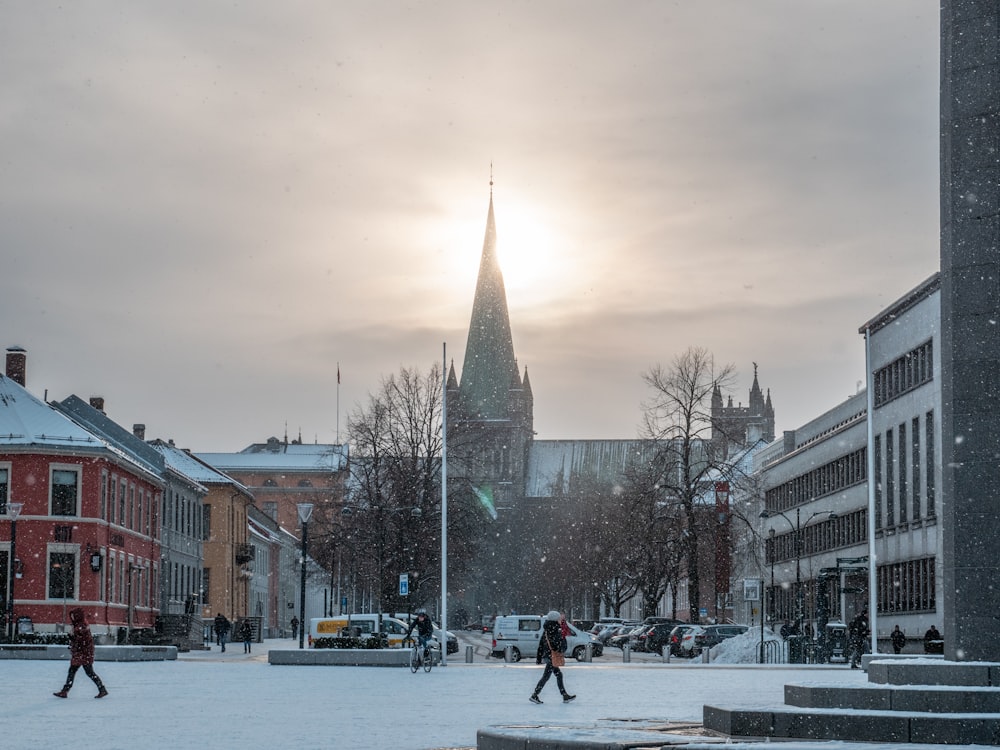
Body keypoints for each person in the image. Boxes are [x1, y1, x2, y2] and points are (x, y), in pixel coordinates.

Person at [54, 608, 108, 699]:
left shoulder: (81, 625)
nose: (72, 618)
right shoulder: (80, 624)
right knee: (82, 672)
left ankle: (65, 691)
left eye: (73, 616)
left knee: (83, 672)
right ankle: (101, 689)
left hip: (82, 653)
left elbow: (82, 640)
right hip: (83, 653)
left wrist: (72, 639)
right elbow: (82, 639)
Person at [530, 611, 575, 704]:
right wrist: (562, 646)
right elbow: (556, 644)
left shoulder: (547, 629)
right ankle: (535, 695)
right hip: (552, 656)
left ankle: (563, 695)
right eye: (559, 618)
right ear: (555, 619)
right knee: (553, 675)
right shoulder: (555, 628)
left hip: (548, 655)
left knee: (550, 676)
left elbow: (541, 644)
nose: (560, 620)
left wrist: (539, 658)